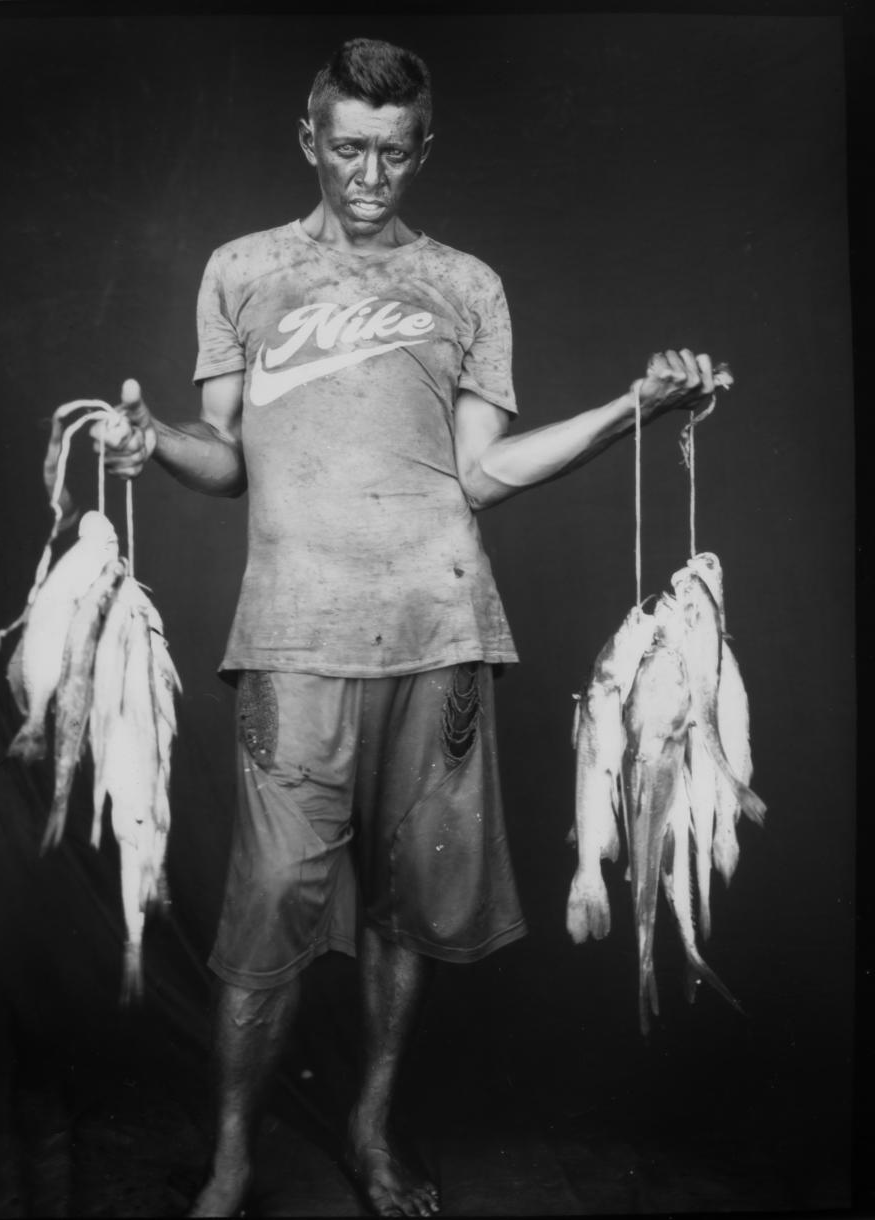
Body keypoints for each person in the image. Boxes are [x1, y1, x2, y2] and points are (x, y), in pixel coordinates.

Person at [99, 37, 728, 1218]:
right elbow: (223, 457)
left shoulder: (467, 285)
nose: (369, 175)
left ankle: (371, 1128)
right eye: (347, 148)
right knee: (269, 906)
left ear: (423, 147)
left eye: (394, 153)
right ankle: (232, 1158)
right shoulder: (243, 269)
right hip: (293, 632)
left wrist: (630, 409)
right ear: (308, 139)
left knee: (406, 906)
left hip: (442, 627)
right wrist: (148, 449)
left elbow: (482, 474)